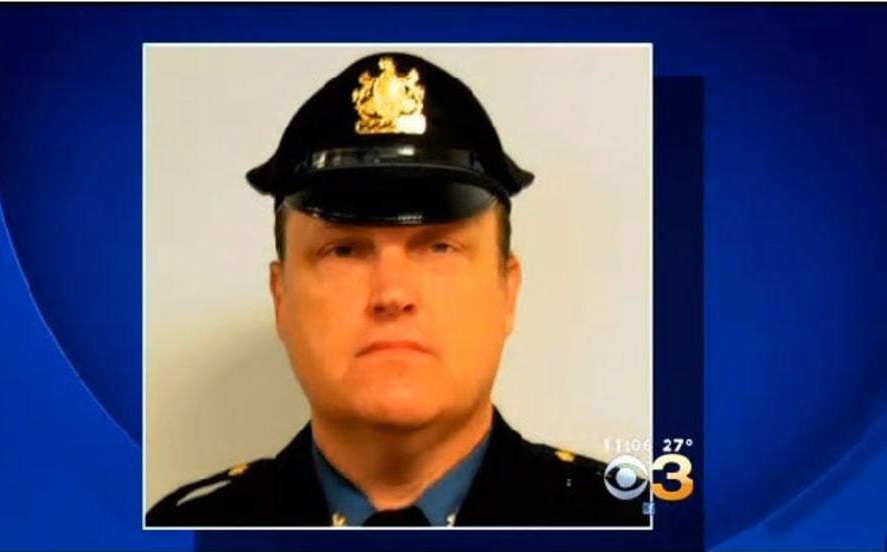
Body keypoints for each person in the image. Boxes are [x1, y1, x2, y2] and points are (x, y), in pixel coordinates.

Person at [146, 52, 649, 528]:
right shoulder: (186, 532)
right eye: (344, 250)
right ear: (282, 297)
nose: (392, 293)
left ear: (508, 293)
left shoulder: (634, 526)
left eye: (440, 248)